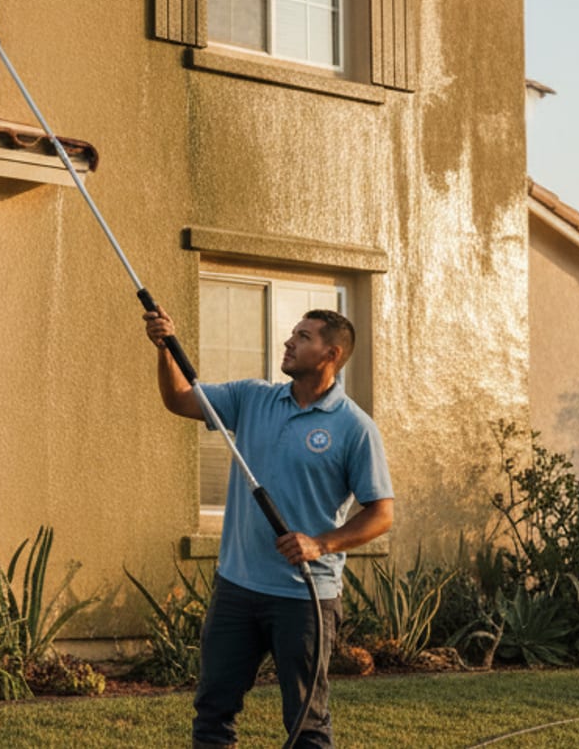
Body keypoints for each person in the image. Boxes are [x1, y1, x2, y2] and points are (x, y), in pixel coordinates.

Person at [144, 306, 394, 749]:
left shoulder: (354, 428)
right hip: (237, 588)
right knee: (213, 712)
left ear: (330, 353)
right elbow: (179, 399)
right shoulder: (252, 398)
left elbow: (381, 514)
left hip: (303, 597)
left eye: (304, 336)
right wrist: (165, 349)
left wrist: (321, 543)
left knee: (306, 724)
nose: (289, 341)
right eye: (293, 333)